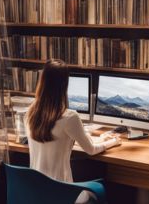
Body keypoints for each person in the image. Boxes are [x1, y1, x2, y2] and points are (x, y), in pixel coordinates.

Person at [25, 59, 121, 203]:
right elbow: (91, 149)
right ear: (64, 85)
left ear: (42, 81)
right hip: (62, 195)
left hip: (36, 194)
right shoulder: (69, 117)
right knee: (98, 189)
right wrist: (113, 141)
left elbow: (57, 140)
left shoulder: (30, 113)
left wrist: (96, 137)